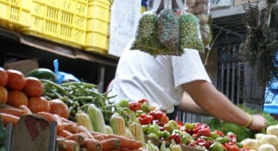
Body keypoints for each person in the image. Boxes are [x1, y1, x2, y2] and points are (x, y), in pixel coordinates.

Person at [107, 42, 267, 131]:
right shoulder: (179, 34)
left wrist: (220, 111)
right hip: (143, 130)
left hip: (114, 123)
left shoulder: (145, 30)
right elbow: (206, 97)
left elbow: (163, 92)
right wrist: (249, 120)